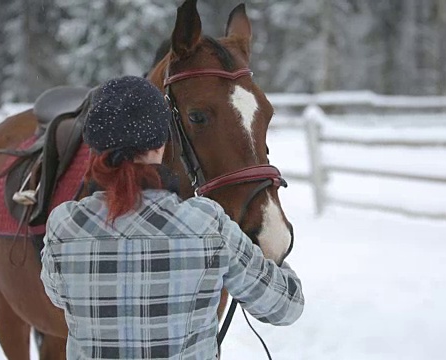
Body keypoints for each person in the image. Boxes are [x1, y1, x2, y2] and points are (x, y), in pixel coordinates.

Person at [40, 76, 304, 360]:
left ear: (97, 149)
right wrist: (257, 253)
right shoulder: (207, 224)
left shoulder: (62, 227)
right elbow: (285, 306)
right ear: (160, 145)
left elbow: (58, 295)